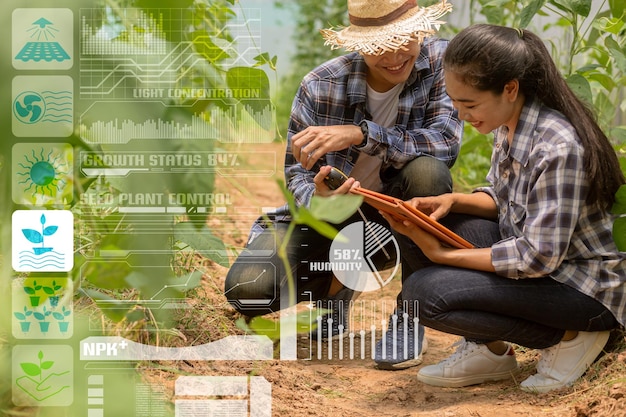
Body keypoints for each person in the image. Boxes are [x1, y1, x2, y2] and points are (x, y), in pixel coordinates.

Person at [381, 23, 626, 392]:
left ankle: (573, 336)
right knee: (428, 225)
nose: (461, 115)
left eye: (469, 104)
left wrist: (444, 255)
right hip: (549, 266)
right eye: (456, 102)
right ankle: (491, 352)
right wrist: (451, 201)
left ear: (510, 88)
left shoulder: (557, 147)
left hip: (584, 287)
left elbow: (536, 258)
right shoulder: (509, 122)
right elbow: (504, 197)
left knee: (425, 294)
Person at [224, 0, 462, 370]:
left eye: (404, 39)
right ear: (358, 44)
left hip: (395, 219)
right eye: (378, 45)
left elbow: (444, 142)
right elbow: (297, 174)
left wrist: (360, 133)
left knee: (428, 172)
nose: (395, 54)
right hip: (332, 218)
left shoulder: (441, 64)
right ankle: (335, 293)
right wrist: (317, 198)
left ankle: (409, 315)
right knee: (247, 289)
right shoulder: (321, 85)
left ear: (421, 30)